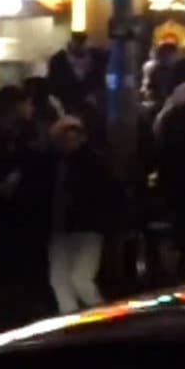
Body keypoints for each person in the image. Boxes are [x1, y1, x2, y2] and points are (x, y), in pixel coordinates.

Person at [36, 116, 116, 313]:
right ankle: (79, 314)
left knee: (77, 277)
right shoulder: (59, 164)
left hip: (83, 227)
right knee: (62, 278)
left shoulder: (86, 164)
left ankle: (96, 314)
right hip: (66, 227)